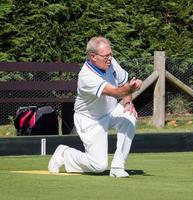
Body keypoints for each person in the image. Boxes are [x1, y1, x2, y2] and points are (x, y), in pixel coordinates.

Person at [48, 36, 142, 178]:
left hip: (110, 111)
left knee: (129, 117)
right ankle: (65, 153)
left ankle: (118, 167)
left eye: (110, 54)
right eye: (106, 56)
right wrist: (132, 88)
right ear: (93, 56)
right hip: (90, 120)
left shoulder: (111, 62)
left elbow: (123, 83)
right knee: (98, 166)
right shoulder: (86, 77)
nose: (109, 59)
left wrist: (128, 103)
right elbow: (116, 92)